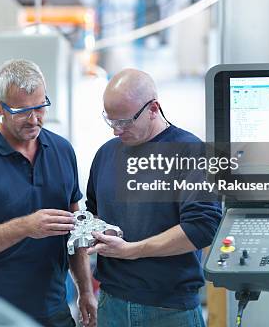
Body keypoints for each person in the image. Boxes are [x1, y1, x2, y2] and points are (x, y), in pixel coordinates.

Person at [0, 59, 97, 327]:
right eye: (22, 110)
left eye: (40, 107)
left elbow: (75, 230)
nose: (34, 119)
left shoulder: (62, 150)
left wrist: (85, 291)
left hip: (53, 309)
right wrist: (25, 227)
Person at [85, 68, 222, 327]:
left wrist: (133, 250)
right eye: (111, 121)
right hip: (111, 303)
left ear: (153, 108)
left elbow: (202, 228)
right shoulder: (105, 155)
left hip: (169, 309)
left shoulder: (190, 152)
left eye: (125, 122)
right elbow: (95, 212)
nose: (116, 131)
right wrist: (95, 230)